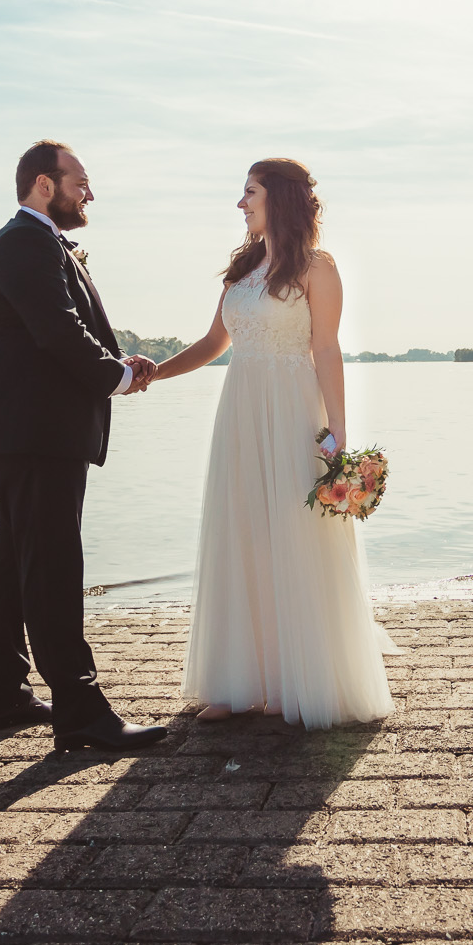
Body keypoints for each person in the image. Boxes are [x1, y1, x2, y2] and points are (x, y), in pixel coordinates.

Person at [147, 158, 397, 729]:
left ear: (278, 198)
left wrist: (338, 430)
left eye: (250, 192)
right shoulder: (242, 269)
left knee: (293, 534)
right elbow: (214, 342)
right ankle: (239, 680)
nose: (241, 204)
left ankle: (294, 677)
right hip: (240, 410)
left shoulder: (317, 267)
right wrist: (154, 374)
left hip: (292, 410)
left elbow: (326, 349)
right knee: (241, 531)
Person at [0, 140, 167, 754]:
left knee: (12, 556)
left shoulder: (37, 242)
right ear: (45, 185)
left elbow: (62, 328)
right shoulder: (25, 242)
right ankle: (79, 712)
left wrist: (118, 360)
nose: (90, 194)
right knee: (52, 563)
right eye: (81, 182)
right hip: (34, 430)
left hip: (20, 428)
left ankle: (4, 696)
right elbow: (58, 331)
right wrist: (118, 377)